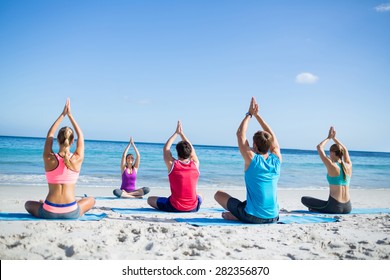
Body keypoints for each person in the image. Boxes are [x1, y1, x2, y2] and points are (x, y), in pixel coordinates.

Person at [214, 97, 282, 224]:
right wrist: (258, 116)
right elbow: (273, 137)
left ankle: (238, 215)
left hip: (254, 217)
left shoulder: (252, 159)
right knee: (250, 201)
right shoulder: (277, 159)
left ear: (255, 145)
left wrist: (249, 114)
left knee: (218, 194)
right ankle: (238, 213)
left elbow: (240, 134)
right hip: (274, 216)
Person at [25, 98, 95, 219]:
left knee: (28, 204)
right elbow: (81, 136)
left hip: (49, 211)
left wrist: (62, 115)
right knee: (91, 200)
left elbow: (49, 135)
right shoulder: (77, 159)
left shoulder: (49, 158)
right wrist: (70, 115)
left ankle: (44, 203)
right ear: (72, 141)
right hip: (71, 211)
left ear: (57, 140)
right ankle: (75, 202)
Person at [147, 121, 202, 212]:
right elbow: (192, 151)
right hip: (193, 207)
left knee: (150, 199)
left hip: (175, 207)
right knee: (200, 194)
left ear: (177, 152)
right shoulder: (195, 164)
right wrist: (182, 134)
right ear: (190, 152)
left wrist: (176, 133)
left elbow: (166, 149)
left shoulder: (173, 165)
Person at [301, 126, 352, 213]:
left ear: (332, 153)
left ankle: (316, 209)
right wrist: (334, 139)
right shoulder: (349, 165)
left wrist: (329, 138)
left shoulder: (332, 165)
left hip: (335, 207)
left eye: (330, 152)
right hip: (348, 207)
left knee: (304, 199)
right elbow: (345, 149)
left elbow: (319, 147)